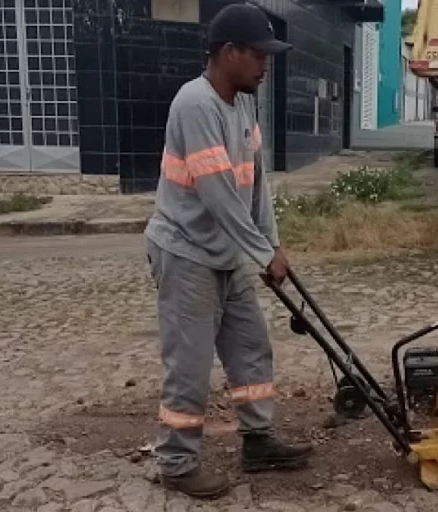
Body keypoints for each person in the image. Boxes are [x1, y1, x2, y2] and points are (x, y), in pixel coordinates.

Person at [143, 2, 313, 499]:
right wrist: (262, 255)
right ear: (228, 52)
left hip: (225, 251)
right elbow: (217, 192)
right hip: (185, 251)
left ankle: (258, 441)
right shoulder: (194, 104)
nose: (267, 64)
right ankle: (176, 462)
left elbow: (255, 185)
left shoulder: (244, 102)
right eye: (259, 54)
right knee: (189, 363)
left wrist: (271, 244)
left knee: (250, 347)